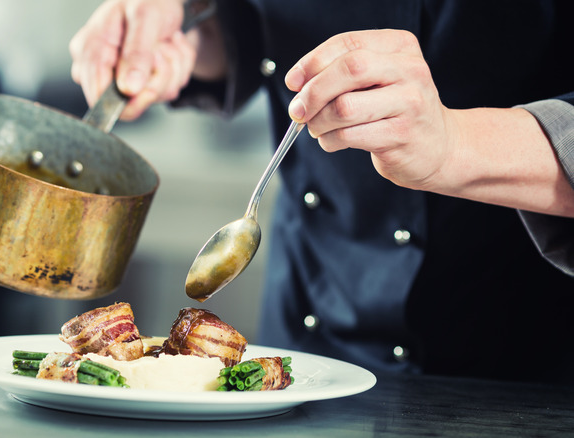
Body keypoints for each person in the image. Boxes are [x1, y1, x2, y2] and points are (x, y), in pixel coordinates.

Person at [70, 0, 574, 382]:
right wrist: (192, 41)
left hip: (522, 359)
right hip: (310, 339)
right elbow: (270, 21)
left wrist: (455, 144)